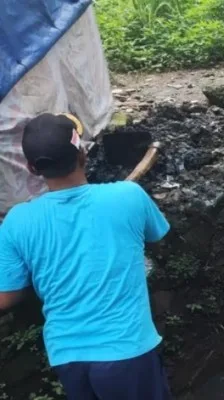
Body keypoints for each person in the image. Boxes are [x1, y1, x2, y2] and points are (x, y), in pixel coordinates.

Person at [0, 113, 172, 399]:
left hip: (68, 357)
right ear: (82, 154)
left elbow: (6, 296)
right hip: (126, 349)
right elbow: (158, 235)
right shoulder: (128, 196)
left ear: (32, 168)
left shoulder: (17, 221)